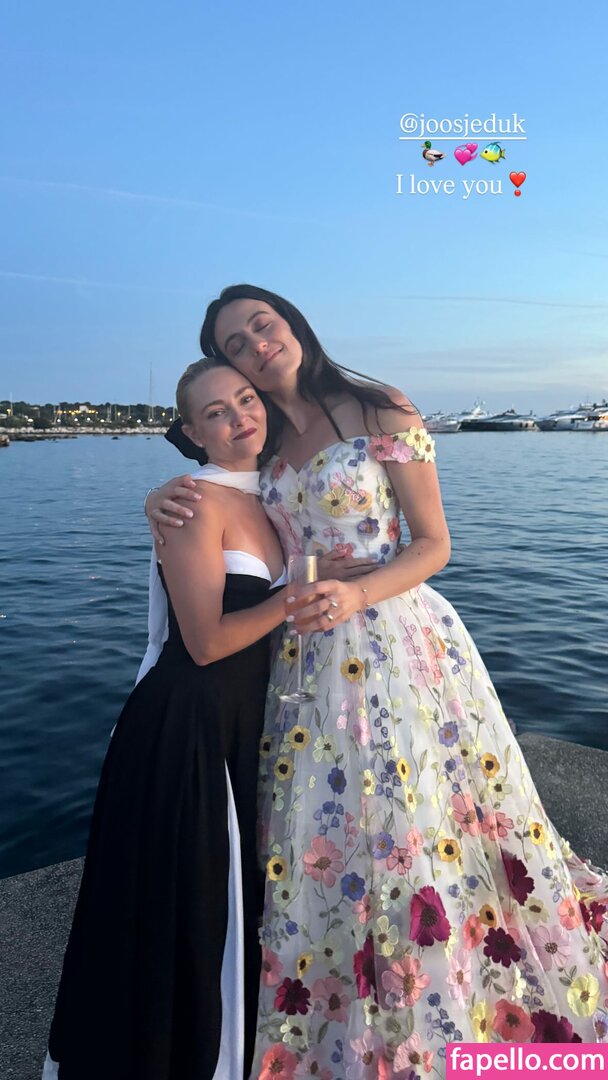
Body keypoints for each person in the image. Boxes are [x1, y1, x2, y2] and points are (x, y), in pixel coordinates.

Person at [147, 286, 608, 1078]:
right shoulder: (262, 440)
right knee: (322, 829)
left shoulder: (380, 408)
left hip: (395, 635)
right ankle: (338, 997)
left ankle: (440, 989)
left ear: (291, 323)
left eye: (263, 325)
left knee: (418, 814)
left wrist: (357, 595)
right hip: (303, 659)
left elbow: (434, 544)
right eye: (235, 344)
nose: (257, 345)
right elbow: (223, 498)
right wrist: (161, 498)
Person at [43, 358, 291, 1080]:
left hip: (246, 719)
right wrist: (295, 598)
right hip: (190, 724)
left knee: (230, 899)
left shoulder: (280, 493)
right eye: (216, 412)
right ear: (192, 431)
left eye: (245, 399)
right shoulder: (193, 503)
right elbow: (205, 641)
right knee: (190, 905)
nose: (239, 417)